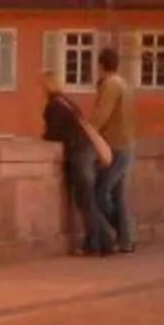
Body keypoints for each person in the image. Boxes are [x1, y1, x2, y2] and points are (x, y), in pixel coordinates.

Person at [42, 87, 109, 254]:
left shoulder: (54, 106)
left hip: (79, 154)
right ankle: (103, 240)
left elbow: (53, 133)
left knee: (86, 201)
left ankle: (98, 242)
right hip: (88, 151)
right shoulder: (69, 103)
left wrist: (42, 140)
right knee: (88, 200)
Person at [89, 45, 137, 254]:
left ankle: (124, 232)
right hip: (127, 144)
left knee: (101, 192)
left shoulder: (110, 85)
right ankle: (126, 239)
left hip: (114, 146)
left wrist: (87, 131)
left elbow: (101, 115)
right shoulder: (125, 84)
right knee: (118, 195)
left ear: (101, 65)